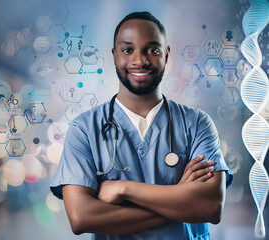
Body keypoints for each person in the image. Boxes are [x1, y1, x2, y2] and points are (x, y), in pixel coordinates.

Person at [50, 11, 233, 240]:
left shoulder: (196, 124)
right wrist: (180, 200)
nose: (140, 60)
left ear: (167, 55)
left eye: (153, 50)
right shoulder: (84, 129)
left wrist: (122, 189)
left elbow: (210, 207)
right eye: (128, 50)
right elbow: (81, 218)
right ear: (114, 55)